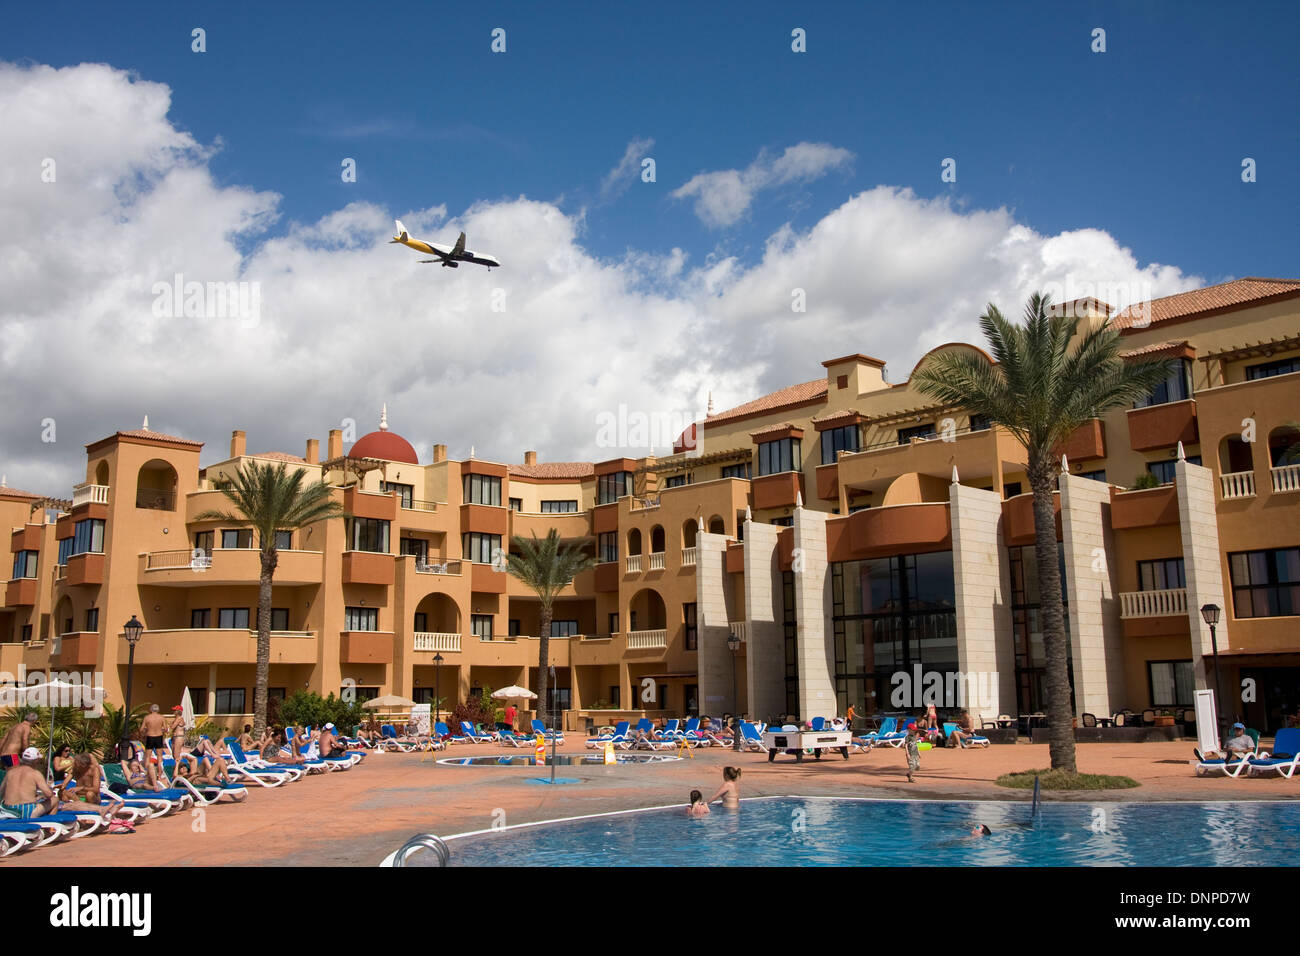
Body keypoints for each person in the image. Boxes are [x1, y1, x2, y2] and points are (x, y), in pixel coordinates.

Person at [62, 753, 125, 821]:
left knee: (90, 794)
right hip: (78, 798)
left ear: (83, 765)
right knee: (64, 792)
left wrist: (81, 788)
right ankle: (71, 817)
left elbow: (96, 789)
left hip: (92, 798)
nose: (74, 764)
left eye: (76, 763)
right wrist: (62, 788)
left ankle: (90, 816)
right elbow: (65, 783)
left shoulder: (93, 770)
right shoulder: (75, 769)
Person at [1, 747, 58, 817]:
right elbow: (49, 794)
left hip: (8, 809)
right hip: (24, 811)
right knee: (55, 800)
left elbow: (1, 792)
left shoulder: (10, 772)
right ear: (35, 761)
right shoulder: (35, 773)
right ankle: (49, 825)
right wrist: (44, 794)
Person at [140, 704, 168, 770]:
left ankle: (147, 772)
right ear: (158, 710)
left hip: (150, 736)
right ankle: (160, 771)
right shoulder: (161, 717)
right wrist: (160, 730)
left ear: (150, 710)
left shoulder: (147, 717)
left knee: (148, 756)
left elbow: (141, 729)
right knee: (159, 755)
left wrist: (147, 730)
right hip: (159, 736)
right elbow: (166, 729)